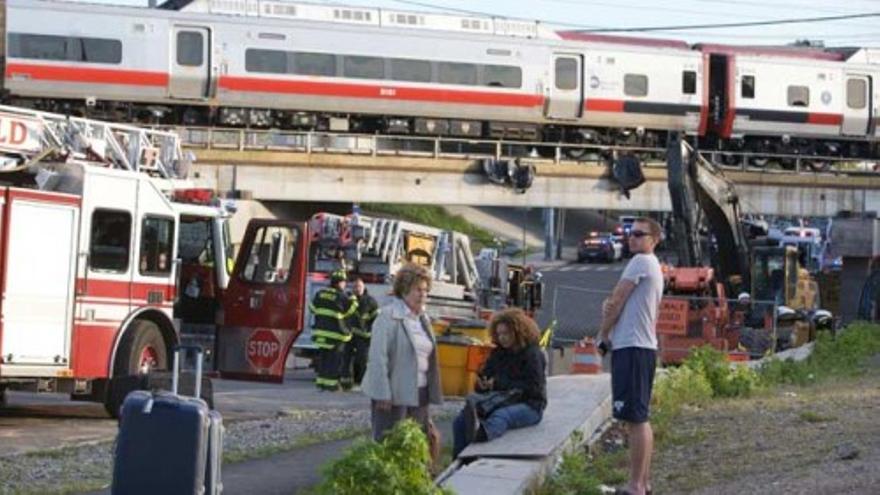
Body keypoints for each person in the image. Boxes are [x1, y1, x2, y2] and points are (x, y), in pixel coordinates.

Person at [592, 217, 663, 495]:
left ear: (653, 239)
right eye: (630, 234)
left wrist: (603, 334)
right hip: (642, 346)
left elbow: (617, 300)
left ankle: (635, 487)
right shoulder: (652, 265)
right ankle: (643, 484)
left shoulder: (640, 262)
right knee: (640, 417)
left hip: (631, 347)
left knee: (635, 418)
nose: (632, 238)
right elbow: (617, 302)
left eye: (639, 234)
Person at [361, 263, 443, 443]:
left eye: (425, 290)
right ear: (404, 290)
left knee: (416, 445)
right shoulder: (387, 316)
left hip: (420, 392)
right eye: (417, 290)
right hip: (393, 395)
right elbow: (377, 358)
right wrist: (382, 392)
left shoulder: (423, 319)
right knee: (390, 444)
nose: (422, 294)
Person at [452, 308, 547, 458]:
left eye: (506, 334)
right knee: (459, 421)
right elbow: (486, 377)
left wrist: (498, 384)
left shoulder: (533, 354)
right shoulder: (498, 353)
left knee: (502, 416)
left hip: (530, 405)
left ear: (517, 331)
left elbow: (534, 388)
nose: (502, 338)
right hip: (500, 399)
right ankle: (458, 458)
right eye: (499, 334)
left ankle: (481, 433)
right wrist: (481, 383)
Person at [310, 269, 358, 391]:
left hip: (320, 333)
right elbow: (350, 310)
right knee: (334, 361)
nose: (345, 285)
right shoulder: (341, 297)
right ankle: (332, 386)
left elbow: (312, 308)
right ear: (339, 283)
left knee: (323, 359)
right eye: (344, 282)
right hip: (336, 335)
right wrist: (353, 298)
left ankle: (321, 383)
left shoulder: (320, 293)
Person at [340, 277, 380, 390]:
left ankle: (362, 383)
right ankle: (346, 383)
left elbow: (376, 318)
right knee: (345, 359)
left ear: (364, 287)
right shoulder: (347, 299)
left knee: (362, 360)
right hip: (348, 335)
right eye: (355, 287)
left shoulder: (370, 301)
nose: (357, 289)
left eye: (359, 286)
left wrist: (370, 332)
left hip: (363, 337)